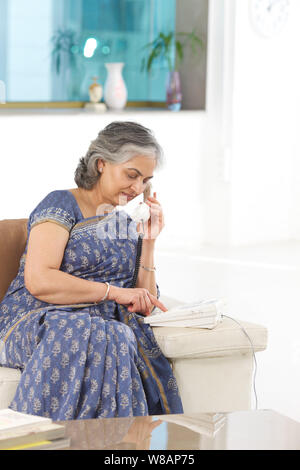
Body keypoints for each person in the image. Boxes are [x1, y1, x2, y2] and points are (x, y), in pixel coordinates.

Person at [0, 121, 183, 420]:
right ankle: (40, 438)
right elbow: (40, 280)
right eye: (131, 175)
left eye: (145, 180)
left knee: (118, 335)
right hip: (35, 318)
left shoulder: (124, 224)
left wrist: (149, 241)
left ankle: (109, 443)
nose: (137, 189)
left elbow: (145, 302)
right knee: (95, 333)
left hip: (101, 324)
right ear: (101, 164)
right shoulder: (61, 204)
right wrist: (112, 293)